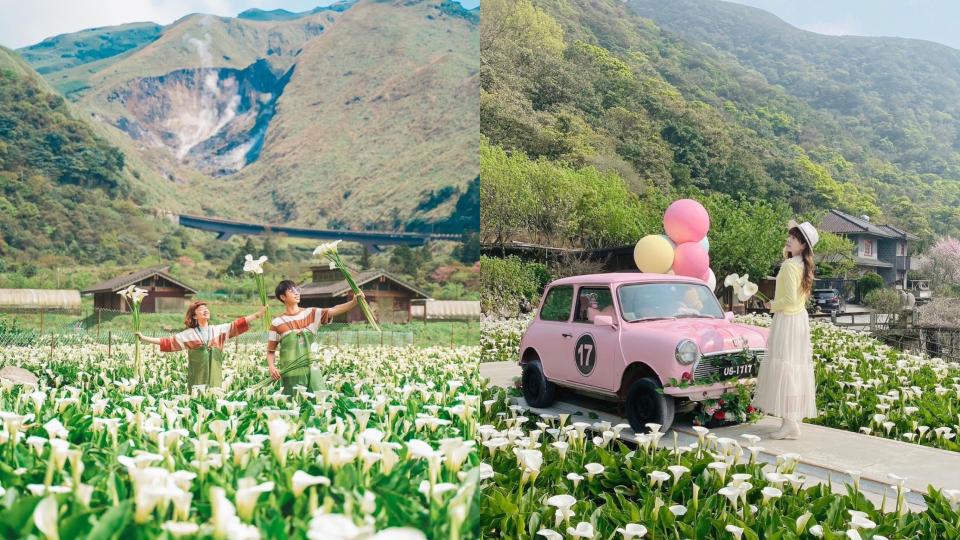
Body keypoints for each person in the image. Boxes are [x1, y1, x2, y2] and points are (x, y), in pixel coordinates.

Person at [752, 220, 819, 440]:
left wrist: (772, 305)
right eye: (789, 236)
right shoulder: (802, 265)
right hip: (798, 319)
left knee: (785, 367)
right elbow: (798, 299)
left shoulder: (790, 265)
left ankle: (789, 422)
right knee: (793, 368)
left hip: (787, 319)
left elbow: (788, 299)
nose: (788, 239)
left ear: (802, 244)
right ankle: (790, 422)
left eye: (793, 237)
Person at [137, 302, 266, 391]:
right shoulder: (189, 334)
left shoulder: (218, 330)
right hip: (197, 377)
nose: (205, 310)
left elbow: (238, 323)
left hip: (215, 376)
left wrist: (257, 315)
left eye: (206, 309)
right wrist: (143, 338)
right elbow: (167, 342)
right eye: (201, 309)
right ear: (194, 316)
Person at [266, 280, 363, 395]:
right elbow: (271, 350)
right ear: (283, 297)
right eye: (292, 291)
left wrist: (353, 302)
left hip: (313, 370)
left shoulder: (311, 313)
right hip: (291, 373)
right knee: (294, 405)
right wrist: (272, 367)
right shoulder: (277, 323)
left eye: (297, 290)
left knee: (318, 400)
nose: (296, 293)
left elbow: (334, 309)